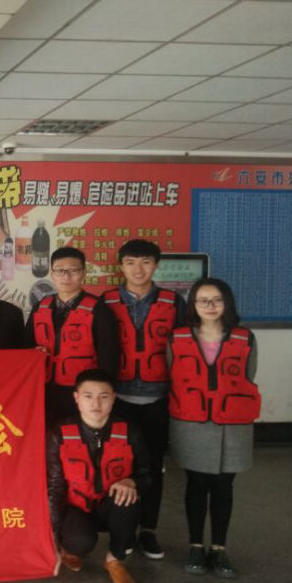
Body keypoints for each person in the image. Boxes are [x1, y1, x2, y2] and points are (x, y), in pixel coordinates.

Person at [168, 278, 260, 579]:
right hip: (191, 422)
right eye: (202, 300)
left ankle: (219, 548)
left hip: (232, 423)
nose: (210, 306)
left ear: (227, 303)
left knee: (223, 486)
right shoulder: (177, 337)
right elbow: (172, 375)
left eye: (217, 300)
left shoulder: (245, 338)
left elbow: (247, 376)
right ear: (192, 305)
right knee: (195, 485)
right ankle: (196, 546)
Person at [102, 239, 185, 560]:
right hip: (118, 399)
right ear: (121, 266)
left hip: (157, 398)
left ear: (156, 265)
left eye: (146, 262)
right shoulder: (107, 301)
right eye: (131, 262)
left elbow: (186, 349)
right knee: (119, 465)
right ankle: (123, 530)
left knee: (153, 466)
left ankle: (148, 530)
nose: (138, 269)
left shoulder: (174, 302)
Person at [47, 368, 151, 583]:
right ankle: (70, 549)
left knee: (129, 499)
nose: (96, 403)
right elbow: (54, 487)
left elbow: (147, 475)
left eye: (103, 396)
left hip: (110, 506)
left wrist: (132, 482)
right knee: (79, 542)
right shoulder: (60, 433)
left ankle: (115, 560)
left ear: (113, 398)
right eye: (88, 396)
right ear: (76, 398)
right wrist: (52, 536)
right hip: (75, 507)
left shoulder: (130, 431)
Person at [25, 247, 120, 423]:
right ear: (52, 274)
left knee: (76, 436)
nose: (66, 276)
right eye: (60, 270)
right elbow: (25, 346)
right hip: (43, 389)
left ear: (83, 273)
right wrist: (34, 351)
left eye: (73, 270)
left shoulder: (99, 310)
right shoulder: (40, 307)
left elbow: (109, 357)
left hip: (82, 392)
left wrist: (101, 393)